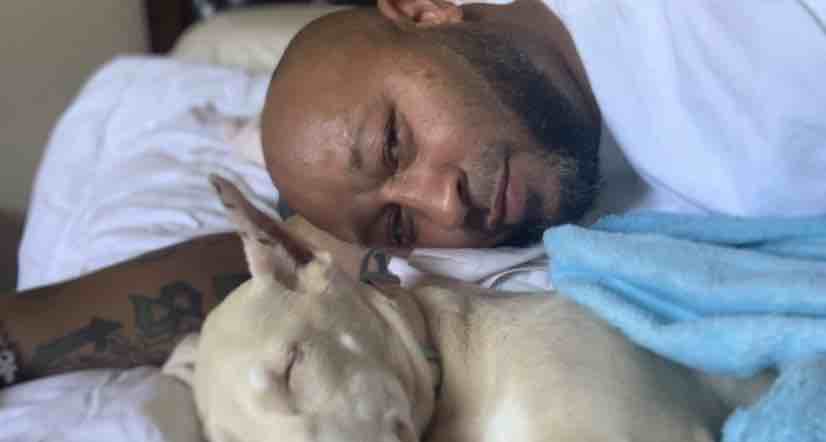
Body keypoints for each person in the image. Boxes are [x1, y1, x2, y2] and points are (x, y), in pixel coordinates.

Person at [1, 0, 824, 386]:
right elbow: (276, 268)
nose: (444, 206)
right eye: (396, 223)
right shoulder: (489, 227)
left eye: (395, 141)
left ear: (428, 12)